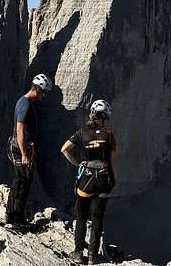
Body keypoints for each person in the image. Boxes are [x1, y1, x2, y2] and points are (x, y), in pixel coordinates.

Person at [61, 99, 117, 264]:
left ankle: (78, 253)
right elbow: (114, 161)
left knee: (81, 216)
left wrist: (78, 163)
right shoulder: (110, 135)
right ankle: (93, 255)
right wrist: (115, 179)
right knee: (98, 217)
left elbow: (64, 149)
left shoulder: (81, 133)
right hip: (105, 179)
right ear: (105, 117)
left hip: (86, 179)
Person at [4, 73, 52, 230]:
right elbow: (20, 129)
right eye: (43, 93)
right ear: (38, 90)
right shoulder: (25, 103)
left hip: (22, 147)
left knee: (24, 181)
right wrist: (24, 154)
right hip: (19, 149)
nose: (43, 97)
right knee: (21, 181)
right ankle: (14, 218)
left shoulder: (26, 102)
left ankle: (17, 216)